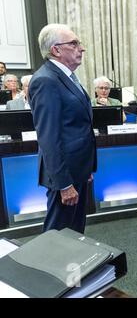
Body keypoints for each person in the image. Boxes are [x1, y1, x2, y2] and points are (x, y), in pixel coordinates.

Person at [28, 24, 97, 233]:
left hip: (77, 170)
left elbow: (77, 126)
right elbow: (49, 138)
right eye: (74, 43)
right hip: (64, 175)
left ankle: (75, 266)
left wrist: (86, 167)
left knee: (74, 232)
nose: (81, 48)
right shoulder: (45, 81)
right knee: (57, 236)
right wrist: (64, 184)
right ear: (56, 50)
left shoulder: (66, 77)